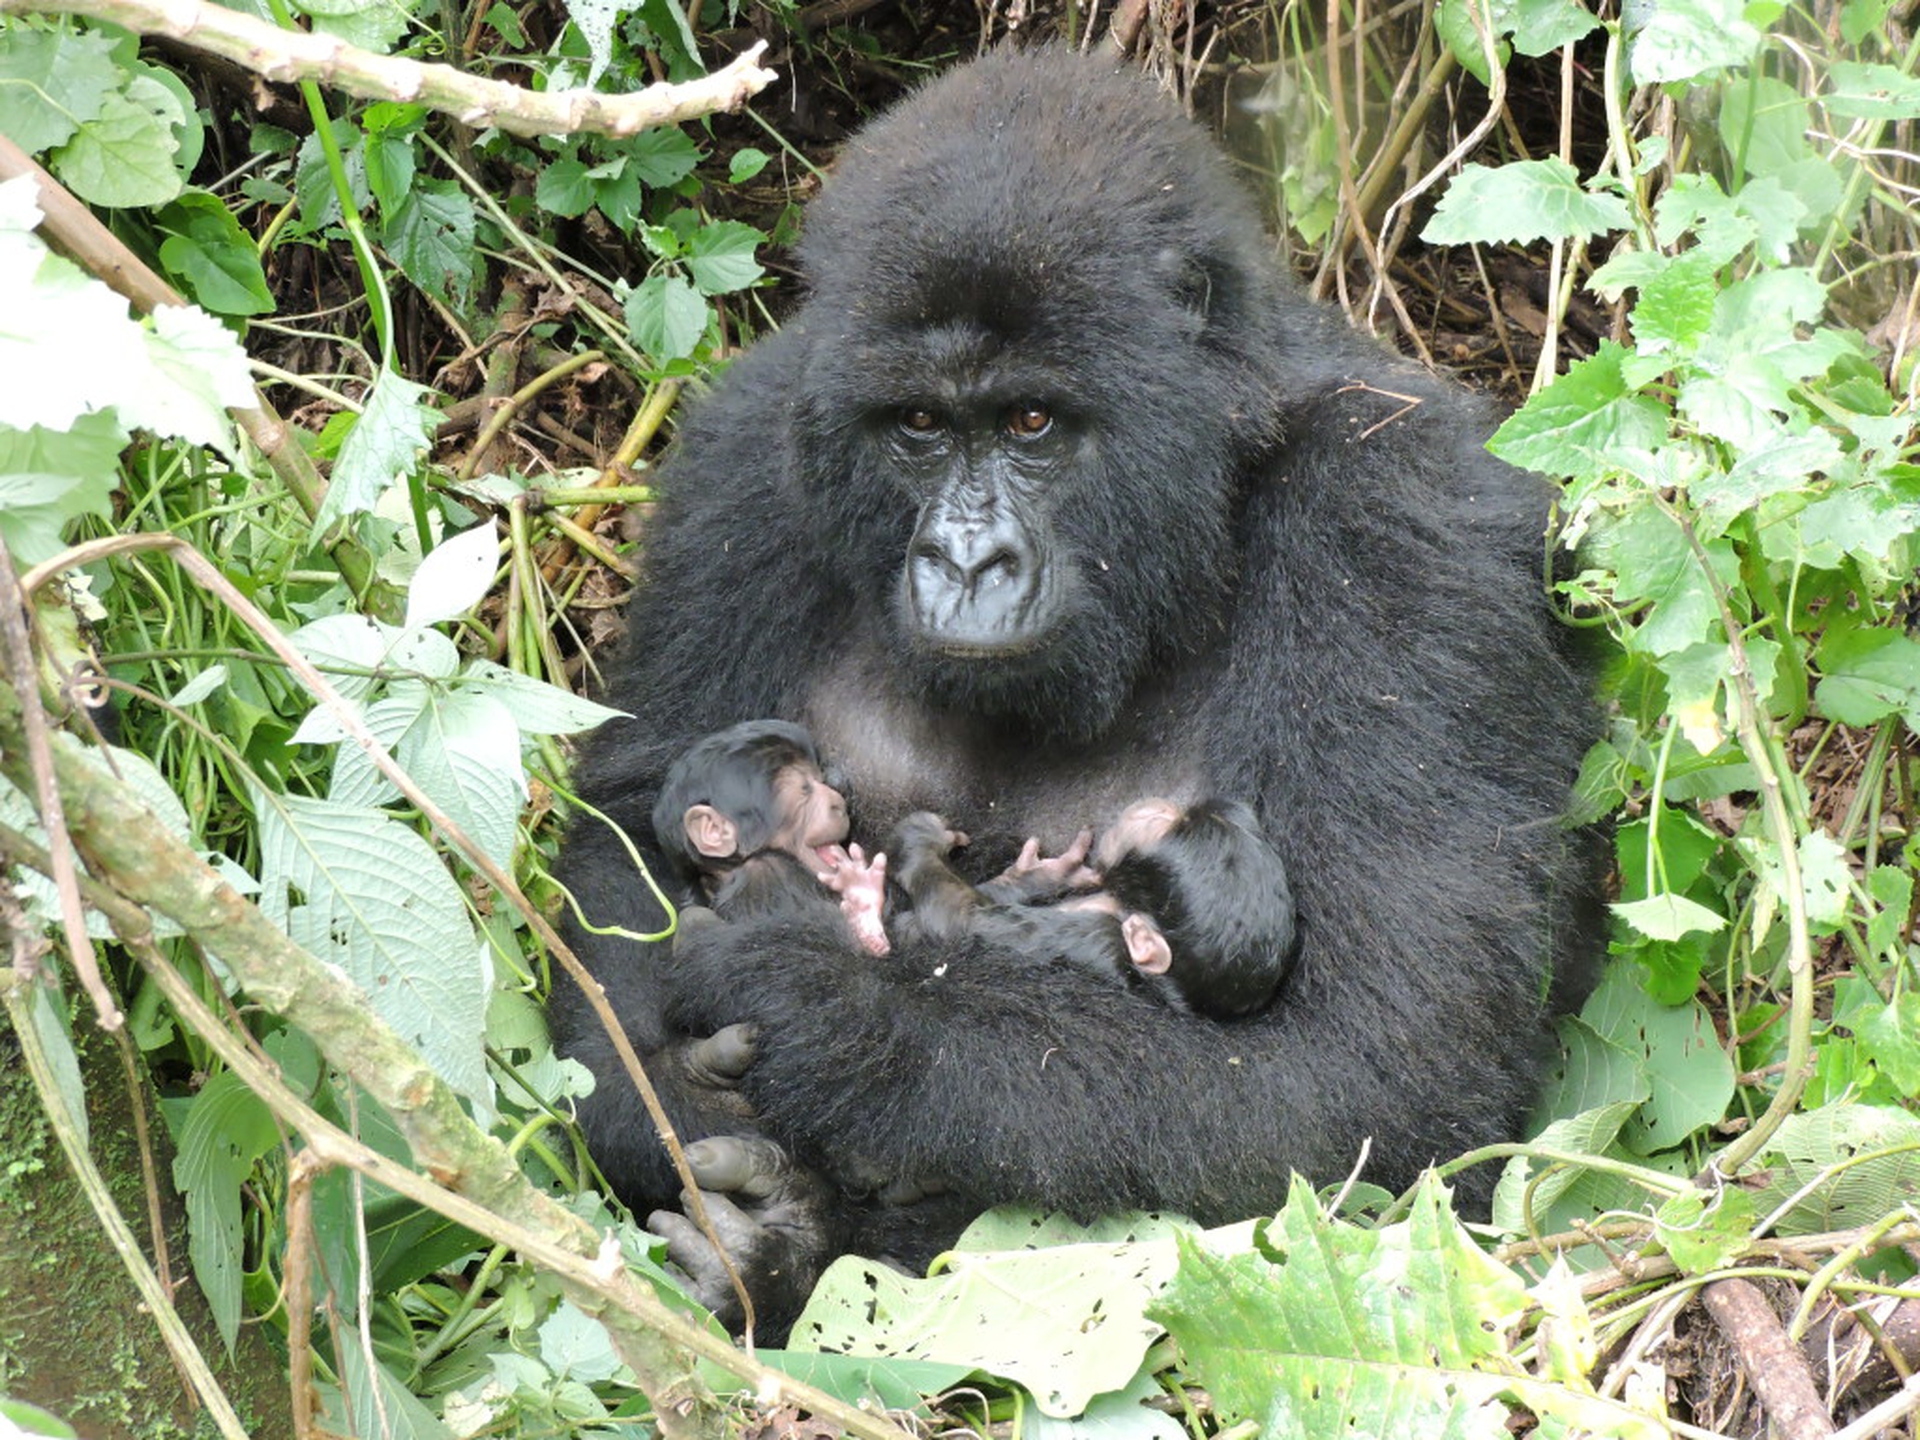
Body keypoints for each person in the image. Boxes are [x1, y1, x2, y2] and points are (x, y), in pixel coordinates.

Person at [653, 720, 1298, 1016]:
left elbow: (957, 929)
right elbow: (991, 929)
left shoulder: (1098, 939)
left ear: (1144, 940)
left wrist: (915, 851)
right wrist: (1025, 886)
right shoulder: (1127, 934)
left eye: (1169, 825)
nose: (1160, 806)